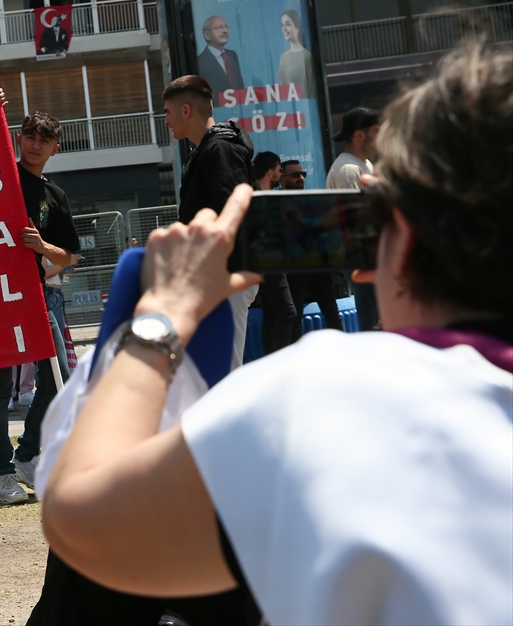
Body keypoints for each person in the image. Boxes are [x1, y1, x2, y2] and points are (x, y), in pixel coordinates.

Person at [42, 42, 512, 625]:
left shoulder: (323, 396)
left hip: (213, 295)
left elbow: (85, 520)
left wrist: (160, 317)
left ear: (405, 239)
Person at [0, 112, 80, 504]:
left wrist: (41, 248)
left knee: (57, 377)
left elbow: (71, 256)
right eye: (29, 136)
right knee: (0, 385)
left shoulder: (55, 195)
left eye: (44, 139)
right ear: (18, 139)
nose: (35, 144)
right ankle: (2, 473)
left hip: (39, 294)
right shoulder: (1, 174)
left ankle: (27, 454)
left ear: (55, 147)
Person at [161, 75, 256, 369]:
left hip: (224, 278)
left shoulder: (219, 150)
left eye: (167, 112)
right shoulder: (208, 151)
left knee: (223, 372)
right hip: (215, 278)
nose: (165, 120)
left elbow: (231, 215)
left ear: (185, 110)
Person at [328, 107, 382, 331]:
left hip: (369, 255)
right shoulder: (348, 169)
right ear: (359, 135)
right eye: (376, 131)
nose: (381, 136)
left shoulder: (364, 164)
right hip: (360, 257)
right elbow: (356, 221)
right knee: (373, 325)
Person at [280, 159, 344, 335]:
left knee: (332, 313)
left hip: (317, 265)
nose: (300, 178)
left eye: (302, 174)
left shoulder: (310, 200)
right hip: (293, 268)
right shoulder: (276, 202)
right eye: (295, 175)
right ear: (282, 179)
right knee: (294, 316)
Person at [251, 151, 296, 356]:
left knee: (271, 315)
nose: (281, 174)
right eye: (279, 170)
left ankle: (270, 358)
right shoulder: (258, 198)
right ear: (270, 173)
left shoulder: (259, 196)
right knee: (288, 313)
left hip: (268, 263)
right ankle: (281, 359)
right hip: (270, 262)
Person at [196, 16, 243, 93]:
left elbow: (240, 86)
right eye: (219, 27)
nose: (225, 30)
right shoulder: (200, 62)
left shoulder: (232, 55)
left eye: (226, 26)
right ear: (207, 35)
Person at [276, 9, 316, 94]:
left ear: (297, 27)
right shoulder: (283, 57)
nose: (284, 29)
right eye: (282, 25)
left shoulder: (306, 56)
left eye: (288, 24)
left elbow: (311, 90)